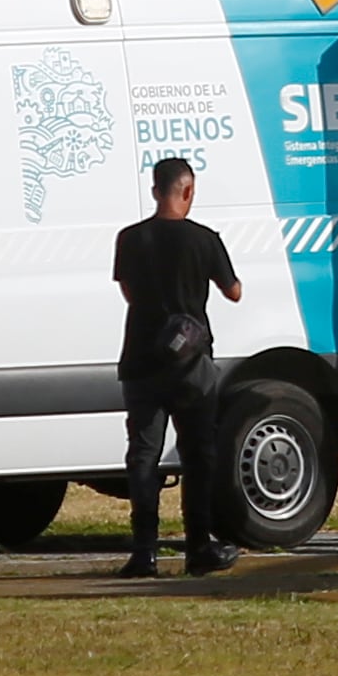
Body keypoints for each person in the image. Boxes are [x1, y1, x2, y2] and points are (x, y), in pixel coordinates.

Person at [111, 156, 244, 579]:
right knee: (198, 455)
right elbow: (234, 292)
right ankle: (198, 546)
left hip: (141, 361)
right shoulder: (204, 240)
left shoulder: (130, 239)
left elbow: (130, 293)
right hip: (191, 366)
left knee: (144, 456)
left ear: (155, 190)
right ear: (188, 191)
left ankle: (144, 552)